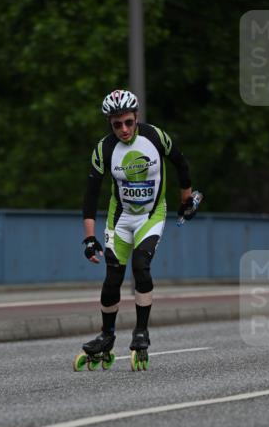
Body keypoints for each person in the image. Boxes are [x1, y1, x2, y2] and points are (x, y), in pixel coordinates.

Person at [78, 88, 198, 370]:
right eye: (116, 124)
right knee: (112, 278)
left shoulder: (155, 137)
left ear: (136, 117)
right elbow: (90, 196)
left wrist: (186, 199)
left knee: (141, 266)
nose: (123, 129)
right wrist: (89, 238)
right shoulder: (104, 149)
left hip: (151, 215)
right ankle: (107, 336)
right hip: (119, 218)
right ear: (110, 123)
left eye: (128, 122)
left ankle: (141, 331)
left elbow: (181, 164)